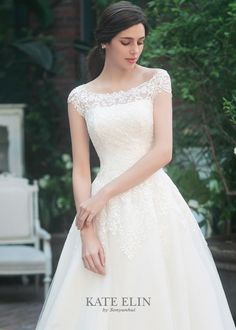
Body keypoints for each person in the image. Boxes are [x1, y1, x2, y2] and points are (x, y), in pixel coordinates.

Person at [35, 1, 235, 329]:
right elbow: (82, 168)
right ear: (104, 41)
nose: (135, 51)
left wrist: (103, 195)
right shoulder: (80, 97)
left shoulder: (157, 80)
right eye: (126, 42)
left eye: (140, 42)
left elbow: (162, 152)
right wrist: (87, 233)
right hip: (100, 212)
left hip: (154, 203)